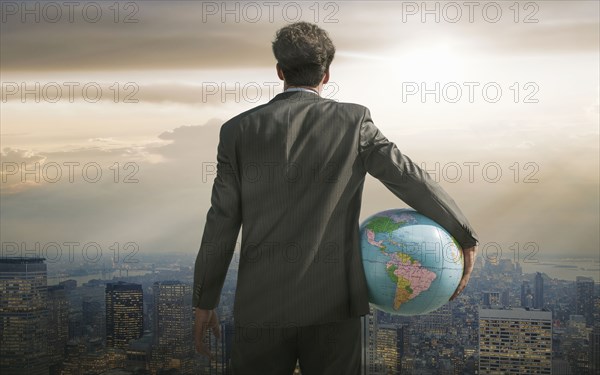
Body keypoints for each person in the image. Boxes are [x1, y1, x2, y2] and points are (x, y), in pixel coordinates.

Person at [193, 21, 479, 375]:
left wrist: (204, 301)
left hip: (260, 309)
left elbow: (221, 221)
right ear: (326, 74)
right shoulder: (353, 122)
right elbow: (407, 177)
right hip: (334, 308)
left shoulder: (236, 131)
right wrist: (463, 234)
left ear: (279, 71)